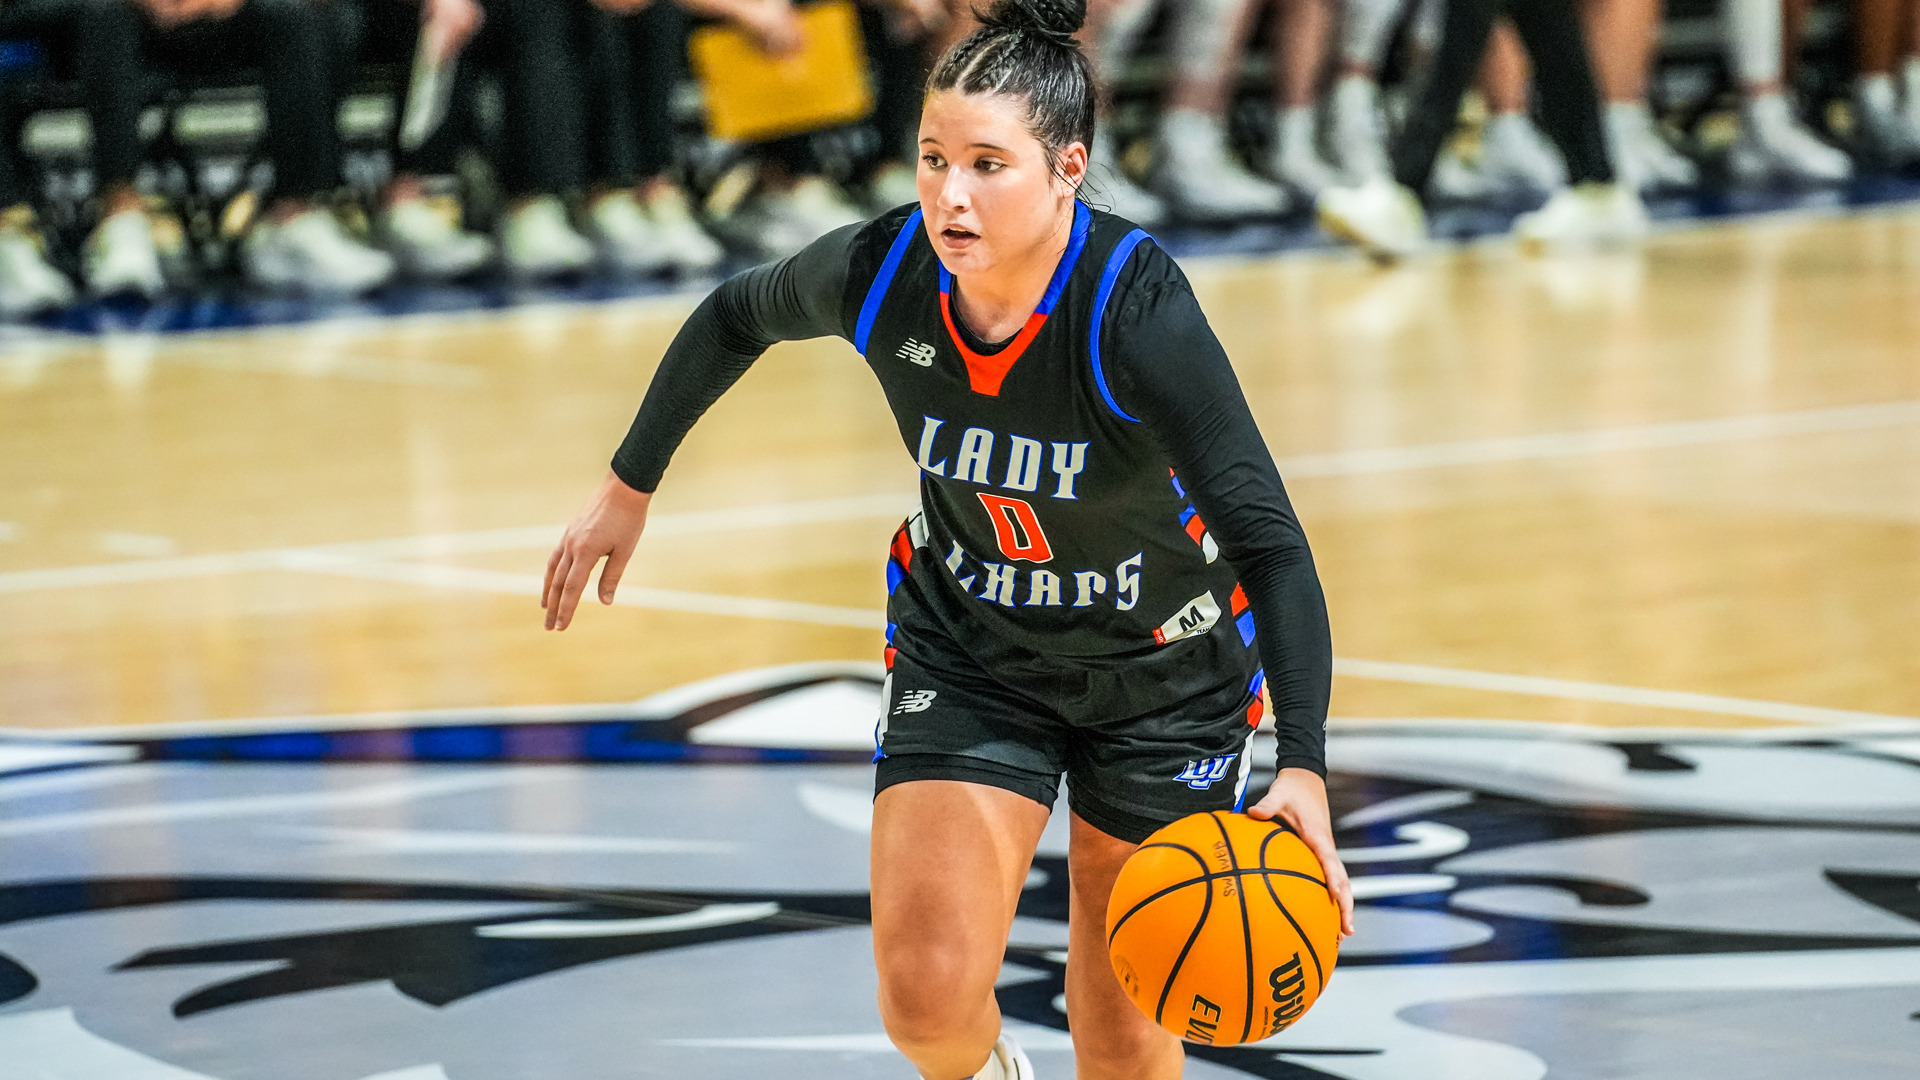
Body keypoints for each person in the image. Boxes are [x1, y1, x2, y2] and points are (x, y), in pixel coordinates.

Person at [539, 1, 1354, 1076]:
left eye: (986, 163)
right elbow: (736, 313)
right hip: (974, 650)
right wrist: (627, 484)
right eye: (931, 159)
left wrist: (1302, 766)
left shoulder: (1132, 309)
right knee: (924, 1002)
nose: (949, 194)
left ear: (1069, 169)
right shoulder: (885, 275)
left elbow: (1273, 545)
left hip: (1163, 674)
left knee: (1122, 1035)